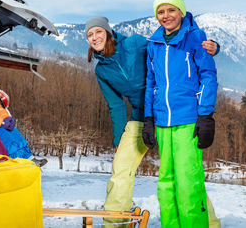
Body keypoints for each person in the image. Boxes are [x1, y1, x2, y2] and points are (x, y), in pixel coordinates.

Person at [85, 15, 220, 227]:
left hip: (169, 113)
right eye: (89, 35)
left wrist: (212, 49)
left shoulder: (134, 43)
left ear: (108, 32)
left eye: (98, 32)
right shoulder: (101, 70)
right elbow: (116, 105)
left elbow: (168, 52)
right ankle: (113, 223)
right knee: (121, 169)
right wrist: (118, 138)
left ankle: (209, 223)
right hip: (140, 118)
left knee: (185, 175)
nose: (94, 37)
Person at [143, 0, 218, 228]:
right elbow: (151, 82)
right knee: (165, 181)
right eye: (161, 11)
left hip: (188, 120)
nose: (166, 15)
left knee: (188, 181)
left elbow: (208, 75)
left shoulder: (195, 37)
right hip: (163, 121)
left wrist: (206, 115)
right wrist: (148, 118)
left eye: (171, 10)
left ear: (181, 11)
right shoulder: (154, 43)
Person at [0, 55, 48, 167]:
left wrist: (6, 118)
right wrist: (0, 122)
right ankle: (17, 161)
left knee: (14, 132)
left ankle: (30, 158)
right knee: (5, 136)